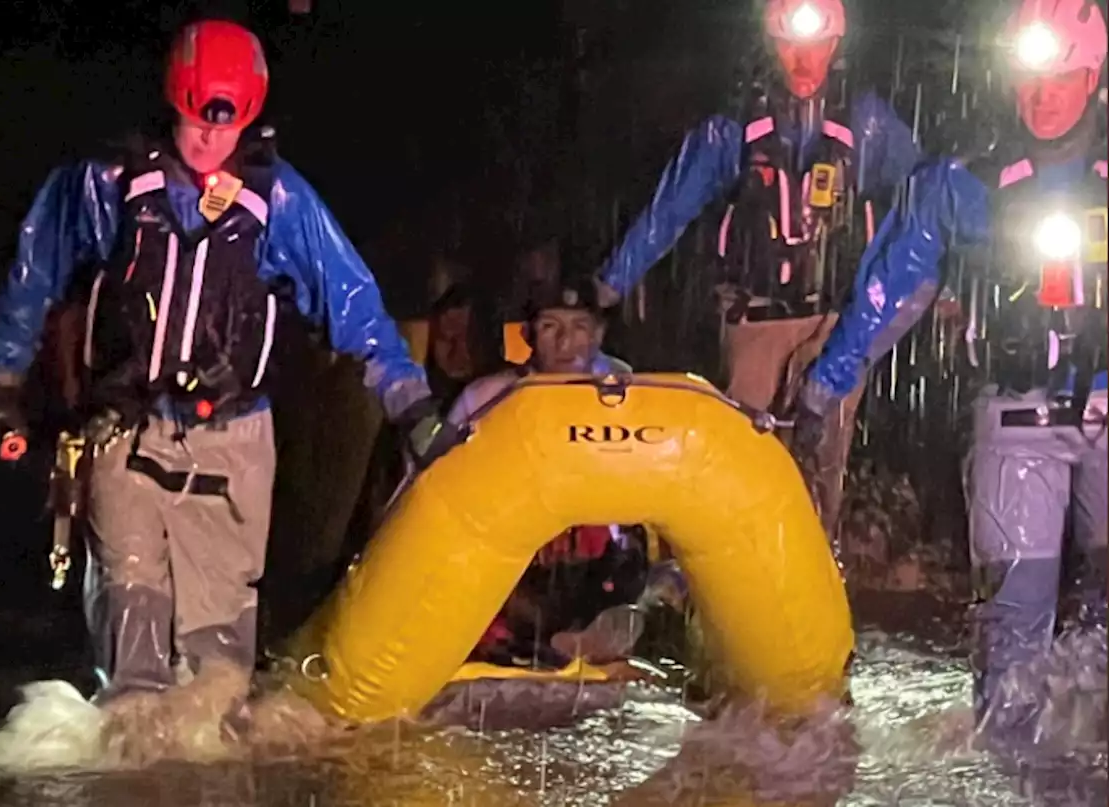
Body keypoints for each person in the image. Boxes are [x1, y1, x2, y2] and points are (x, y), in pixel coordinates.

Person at [0, 19, 443, 705]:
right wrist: (2, 381)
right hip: (126, 430)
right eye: (196, 120)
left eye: (225, 126)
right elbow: (35, 268)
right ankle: (128, 752)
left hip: (233, 440)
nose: (208, 139)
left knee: (216, 678)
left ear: (251, 118)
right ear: (173, 102)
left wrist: (412, 402)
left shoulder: (279, 200)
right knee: (132, 635)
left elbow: (353, 303)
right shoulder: (108, 181)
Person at [792, 0, 1108, 740]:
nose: (1043, 93)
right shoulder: (963, 180)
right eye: (1031, 76)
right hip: (1017, 422)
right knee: (1013, 626)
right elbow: (889, 285)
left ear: (1093, 76)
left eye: (1061, 76)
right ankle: (1007, 766)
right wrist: (825, 383)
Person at [593, 0, 920, 550]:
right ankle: (726, 572)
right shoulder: (735, 126)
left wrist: (936, 282)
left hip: (835, 319)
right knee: (744, 452)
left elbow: (924, 201)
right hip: (753, 316)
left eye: (815, 44)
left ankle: (813, 571)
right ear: (770, 44)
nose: (803, 58)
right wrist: (607, 286)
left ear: (835, 44)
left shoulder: (866, 122)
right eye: (790, 43)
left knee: (823, 455)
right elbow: (669, 209)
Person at [448, 276, 678, 667]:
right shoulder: (488, 397)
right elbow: (439, 489)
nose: (566, 342)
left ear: (598, 334)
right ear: (528, 335)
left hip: (594, 564)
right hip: (516, 561)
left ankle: (606, 634)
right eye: (550, 327)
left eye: (579, 327)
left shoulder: (625, 399)